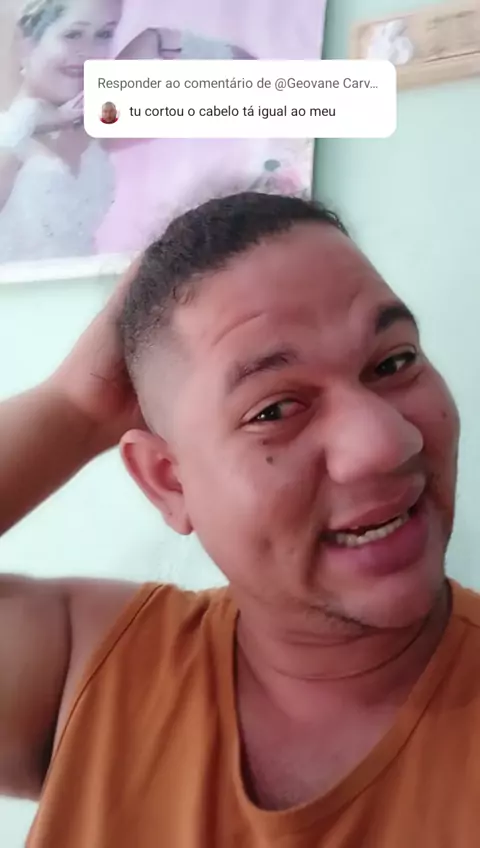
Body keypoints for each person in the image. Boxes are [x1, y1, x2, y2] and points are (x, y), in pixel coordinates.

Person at [1, 191, 478, 848]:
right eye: (274, 410)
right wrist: (74, 407)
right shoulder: (86, 672)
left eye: (393, 363)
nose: (386, 443)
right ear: (169, 481)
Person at [0, 0, 122, 262]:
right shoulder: (9, 132)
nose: (88, 53)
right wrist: (29, 116)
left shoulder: (94, 119)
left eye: (104, 35)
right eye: (73, 35)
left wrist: (156, 38)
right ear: (27, 43)